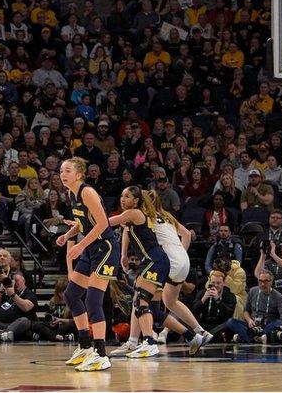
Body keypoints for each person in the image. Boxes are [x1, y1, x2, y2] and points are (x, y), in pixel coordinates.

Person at [108, 186, 211, 359]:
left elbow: (119, 227)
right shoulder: (166, 216)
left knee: (141, 299)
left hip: (161, 259)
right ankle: (194, 335)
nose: (122, 199)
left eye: (127, 196)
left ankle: (146, 341)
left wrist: (124, 255)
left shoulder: (140, 215)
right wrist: (181, 254)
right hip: (181, 259)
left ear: (139, 200)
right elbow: (186, 234)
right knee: (157, 306)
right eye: (122, 195)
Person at [55, 157, 118, 371]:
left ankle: (101, 354)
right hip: (91, 248)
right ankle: (84, 346)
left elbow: (103, 223)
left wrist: (80, 244)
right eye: (61, 170)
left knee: (93, 300)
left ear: (79, 174)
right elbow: (84, 222)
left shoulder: (87, 192)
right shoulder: (72, 193)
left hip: (105, 248)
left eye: (68, 170)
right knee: (71, 295)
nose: (63, 174)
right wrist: (69, 235)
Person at [227, 270, 282, 343]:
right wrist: (249, 320)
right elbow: (246, 311)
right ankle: (258, 338)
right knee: (231, 322)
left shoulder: (278, 296)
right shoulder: (253, 291)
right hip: (252, 325)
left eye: (266, 281)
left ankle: (247, 337)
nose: (262, 284)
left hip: (267, 325)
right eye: (260, 281)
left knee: (278, 322)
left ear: (271, 282)